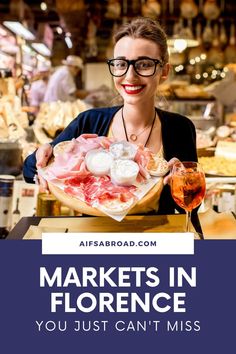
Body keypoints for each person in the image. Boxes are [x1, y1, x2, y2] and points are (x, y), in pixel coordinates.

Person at [23, 17, 202, 233]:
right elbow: (29, 169)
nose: (130, 76)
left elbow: (190, 205)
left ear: (163, 71)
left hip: (155, 243)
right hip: (92, 243)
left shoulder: (180, 128)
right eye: (120, 64)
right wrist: (41, 157)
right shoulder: (89, 122)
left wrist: (181, 182)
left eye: (144, 64)